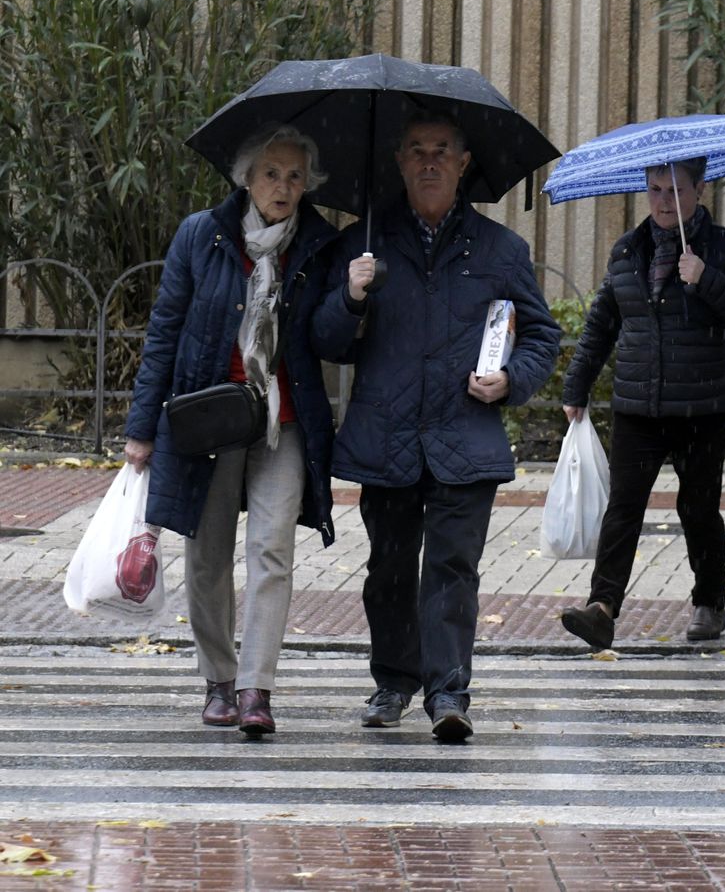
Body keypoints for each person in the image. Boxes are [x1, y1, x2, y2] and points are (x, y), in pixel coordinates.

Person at [313, 112, 561, 741]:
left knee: (452, 569)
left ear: (464, 163)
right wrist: (349, 296)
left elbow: (540, 335)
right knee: (390, 571)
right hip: (387, 437)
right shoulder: (364, 243)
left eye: (442, 152)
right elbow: (327, 341)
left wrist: (511, 381)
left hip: (463, 437)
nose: (429, 162)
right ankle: (393, 682)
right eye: (417, 151)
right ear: (398, 161)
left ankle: (448, 693)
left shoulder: (500, 249)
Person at [125, 124, 347, 736]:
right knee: (208, 552)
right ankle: (219, 678)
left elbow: (330, 338)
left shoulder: (321, 246)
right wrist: (142, 428)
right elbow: (165, 331)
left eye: (295, 176)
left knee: (272, 550)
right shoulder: (203, 234)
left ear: (308, 186)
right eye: (272, 173)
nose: (283, 186)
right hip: (211, 415)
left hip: (283, 421)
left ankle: (256, 689)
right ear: (246, 178)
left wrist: (352, 298)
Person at [558, 157, 725, 650]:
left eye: (674, 190)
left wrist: (707, 278)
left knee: (698, 509)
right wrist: (577, 386)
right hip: (638, 403)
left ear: (699, 189)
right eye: (654, 189)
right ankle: (603, 608)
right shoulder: (628, 250)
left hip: (703, 404)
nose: (662, 201)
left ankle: (708, 602)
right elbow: (601, 325)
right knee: (623, 508)